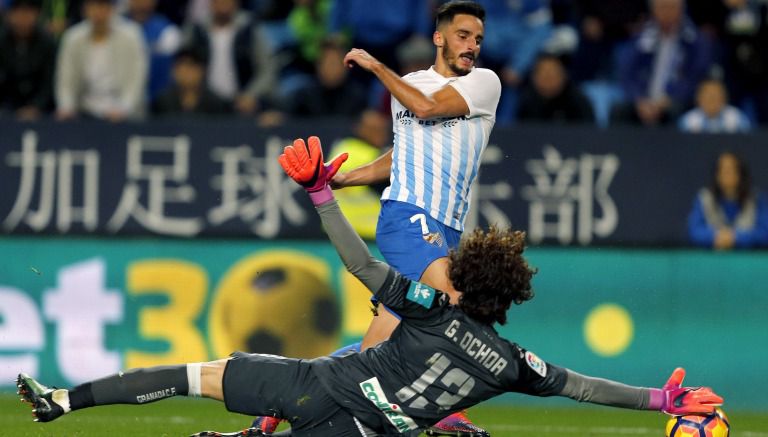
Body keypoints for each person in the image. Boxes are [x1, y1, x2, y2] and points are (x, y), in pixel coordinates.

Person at [17, 136, 725, 437]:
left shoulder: (427, 306)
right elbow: (582, 385)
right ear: (505, 302)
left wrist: (324, 193)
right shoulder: (511, 363)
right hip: (361, 431)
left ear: (464, 277)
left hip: (312, 387)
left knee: (186, 375)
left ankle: (59, 402)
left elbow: (361, 264)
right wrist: (659, 398)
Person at [333, 2, 501, 434]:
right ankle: (444, 415)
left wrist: (374, 66)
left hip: (445, 229)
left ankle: (285, 399)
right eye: (463, 36)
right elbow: (403, 154)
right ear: (439, 38)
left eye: (477, 39)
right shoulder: (408, 85)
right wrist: (343, 178)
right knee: (453, 309)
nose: (472, 47)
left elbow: (425, 110)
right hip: (408, 217)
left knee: (384, 340)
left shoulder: (484, 83)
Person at [612, 0, 713, 126]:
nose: (666, 13)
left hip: (675, 100)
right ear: (653, 10)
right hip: (643, 100)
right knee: (619, 110)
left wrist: (669, 98)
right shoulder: (641, 37)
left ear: (681, 9)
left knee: (677, 110)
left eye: (671, 7)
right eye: (662, 7)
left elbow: (694, 77)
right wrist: (639, 99)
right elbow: (627, 72)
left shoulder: (694, 42)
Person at [55, 0, 148, 122]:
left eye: (102, 6)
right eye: (93, 6)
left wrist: (124, 108)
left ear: (112, 9)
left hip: (123, 115)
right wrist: (66, 106)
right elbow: (65, 80)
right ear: (85, 9)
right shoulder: (73, 38)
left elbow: (136, 80)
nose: (98, 12)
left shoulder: (131, 36)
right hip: (84, 112)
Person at [688, 151, 768, 249]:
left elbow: (764, 233)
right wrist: (715, 236)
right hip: (712, 258)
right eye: (722, 170)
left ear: (740, 174)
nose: (726, 174)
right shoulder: (705, 198)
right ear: (716, 175)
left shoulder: (756, 199)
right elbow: (694, 231)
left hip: (746, 260)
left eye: (731, 170)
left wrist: (736, 238)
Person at [0, 0, 57, 120]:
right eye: (18, 12)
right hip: (6, 108)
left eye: (28, 12)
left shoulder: (47, 43)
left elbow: (49, 81)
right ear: (9, 15)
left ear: (37, 14)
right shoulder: (2, 42)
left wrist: (36, 106)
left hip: (44, 111)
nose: (23, 18)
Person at [152, 47, 231, 117]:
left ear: (202, 70)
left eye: (190, 66)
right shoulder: (162, 102)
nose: (184, 72)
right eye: (180, 67)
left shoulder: (215, 103)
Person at [517, 54, 595, 123]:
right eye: (544, 75)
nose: (548, 80)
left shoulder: (578, 102)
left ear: (564, 76)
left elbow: (589, 132)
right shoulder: (526, 102)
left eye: (552, 75)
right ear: (534, 78)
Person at [678, 78, 752, 133]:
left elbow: (748, 142)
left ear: (724, 98)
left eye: (715, 97)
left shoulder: (737, 118)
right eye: (708, 97)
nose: (712, 101)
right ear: (698, 99)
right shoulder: (688, 121)